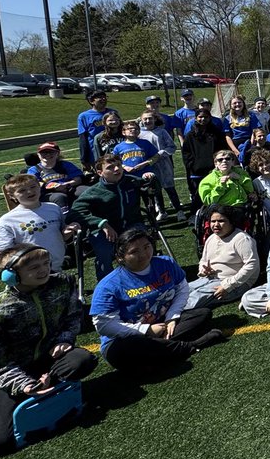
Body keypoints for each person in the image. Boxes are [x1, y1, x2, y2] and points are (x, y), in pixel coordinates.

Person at [0, 244, 98, 457]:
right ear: (11, 276)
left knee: (83, 360)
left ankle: (48, 387)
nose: (43, 270)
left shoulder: (63, 283)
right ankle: (37, 393)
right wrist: (25, 385)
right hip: (10, 374)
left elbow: (73, 317)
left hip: (50, 360)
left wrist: (65, 340)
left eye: (45, 263)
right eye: (33, 267)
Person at [90, 227, 226, 374]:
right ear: (120, 257)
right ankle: (191, 345)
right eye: (134, 252)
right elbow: (104, 325)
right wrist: (146, 330)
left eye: (147, 247)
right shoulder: (108, 285)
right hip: (126, 339)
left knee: (202, 314)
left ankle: (161, 352)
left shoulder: (166, 263)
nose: (143, 254)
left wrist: (171, 317)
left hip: (161, 325)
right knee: (124, 350)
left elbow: (182, 289)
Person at [73, 155, 146, 279]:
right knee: (105, 250)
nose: (117, 169)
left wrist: (150, 178)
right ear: (100, 172)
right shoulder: (93, 192)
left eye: (119, 165)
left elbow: (150, 188)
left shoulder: (132, 181)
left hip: (131, 224)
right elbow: (75, 212)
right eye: (110, 167)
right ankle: (106, 281)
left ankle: (143, 274)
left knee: (141, 243)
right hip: (103, 229)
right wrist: (100, 223)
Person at [0, 174, 80, 272]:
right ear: (12, 196)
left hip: (56, 268)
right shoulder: (8, 220)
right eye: (22, 190)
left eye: (33, 187)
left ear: (39, 187)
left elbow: (61, 236)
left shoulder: (53, 208)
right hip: (28, 274)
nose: (29, 191)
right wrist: (16, 264)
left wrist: (67, 232)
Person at [186, 205, 259, 309]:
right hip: (209, 278)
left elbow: (252, 265)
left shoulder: (242, 239)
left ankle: (167, 315)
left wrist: (227, 286)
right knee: (182, 291)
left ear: (231, 221)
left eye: (221, 221)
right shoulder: (211, 238)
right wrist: (203, 270)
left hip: (234, 283)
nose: (216, 224)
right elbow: (203, 260)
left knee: (195, 298)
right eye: (213, 221)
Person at [138, 112, 186, 221]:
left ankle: (179, 211)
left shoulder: (162, 131)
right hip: (150, 166)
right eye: (145, 119)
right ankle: (162, 211)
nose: (147, 121)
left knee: (170, 188)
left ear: (154, 119)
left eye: (150, 118)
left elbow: (172, 147)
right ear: (141, 120)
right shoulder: (140, 134)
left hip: (164, 165)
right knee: (156, 190)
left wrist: (162, 153)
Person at [181, 107, 224, 211]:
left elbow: (222, 149)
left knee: (215, 193)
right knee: (198, 195)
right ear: (196, 118)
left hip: (214, 170)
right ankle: (196, 215)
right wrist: (193, 165)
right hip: (197, 172)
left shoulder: (216, 133)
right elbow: (186, 153)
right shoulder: (190, 135)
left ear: (210, 118)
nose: (203, 119)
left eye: (206, 117)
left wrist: (219, 165)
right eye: (200, 117)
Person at [25, 142, 85, 208]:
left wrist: (66, 184)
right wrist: (52, 186)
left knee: (86, 191)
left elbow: (78, 179)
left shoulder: (65, 165)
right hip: (47, 193)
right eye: (44, 152)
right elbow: (34, 184)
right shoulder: (34, 169)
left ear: (58, 153)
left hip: (69, 188)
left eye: (51, 152)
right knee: (59, 197)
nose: (47, 154)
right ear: (38, 155)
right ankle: (64, 217)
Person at [76, 90, 112, 169]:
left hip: (113, 148)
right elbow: (83, 138)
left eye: (105, 97)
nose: (103, 99)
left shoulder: (112, 112)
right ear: (91, 101)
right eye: (100, 97)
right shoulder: (84, 116)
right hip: (95, 152)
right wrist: (84, 158)